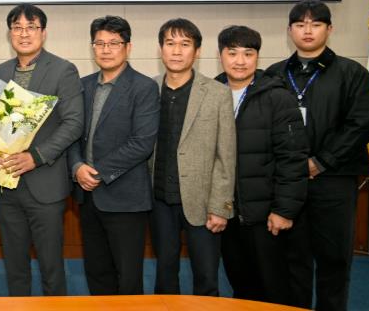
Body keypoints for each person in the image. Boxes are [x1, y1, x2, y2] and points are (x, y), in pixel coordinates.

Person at [265, 1, 369, 311]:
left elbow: (364, 122)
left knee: (334, 260)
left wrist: (321, 162)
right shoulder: (275, 74)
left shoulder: (351, 72)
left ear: (329, 29)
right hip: (288, 183)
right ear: (289, 31)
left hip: (334, 180)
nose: (307, 30)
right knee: (292, 260)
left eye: (316, 24)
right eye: (300, 25)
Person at [0, 3, 84, 296]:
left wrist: (36, 156)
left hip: (45, 186)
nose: (24, 33)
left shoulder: (63, 70)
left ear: (43, 33)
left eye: (31, 27)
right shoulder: (1, 71)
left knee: (51, 268)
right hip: (7, 186)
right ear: (10, 33)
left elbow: (74, 123)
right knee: (14, 267)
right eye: (17, 27)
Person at [214, 26, 308, 305]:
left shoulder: (277, 97)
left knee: (275, 290)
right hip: (228, 214)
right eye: (232, 53)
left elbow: (293, 158)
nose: (240, 61)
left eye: (248, 54)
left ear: (257, 57)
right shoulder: (211, 93)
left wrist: (284, 210)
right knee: (242, 288)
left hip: (267, 217)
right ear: (220, 56)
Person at [68, 15, 159, 295]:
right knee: (97, 272)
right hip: (87, 197)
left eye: (114, 43)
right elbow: (71, 132)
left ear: (128, 47)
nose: (106, 50)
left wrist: (96, 172)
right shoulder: (82, 85)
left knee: (128, 278)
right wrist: (77, 166)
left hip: (125, 199)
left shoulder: (144, 87)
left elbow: (142, 143)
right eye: (100, 43)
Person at [149, 18, 236, 297]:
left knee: (206, 278)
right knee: (164, 275)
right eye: (170, 43)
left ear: (197, 51)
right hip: (159, 200)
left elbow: (226, 156)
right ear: (161, 49)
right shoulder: (148, 90)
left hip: (203, 203)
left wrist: (220, 206)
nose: (177, 51)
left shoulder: (218, 94)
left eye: (185, 44)